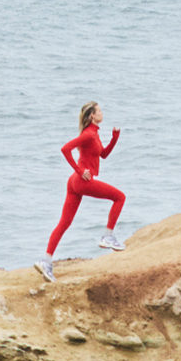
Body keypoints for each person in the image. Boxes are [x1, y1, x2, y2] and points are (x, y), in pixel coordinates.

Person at [36, 101, 126, 282]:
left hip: (74, 183)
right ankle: (108, 237)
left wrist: (114, 138)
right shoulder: (89, 134)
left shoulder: (95, 134)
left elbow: (103, 155)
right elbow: (65, 149)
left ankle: (46, 261)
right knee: (120, 197)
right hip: (82, 181)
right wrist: (80, 170)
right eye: (99, 110)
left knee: (64, 223)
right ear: (92, 115)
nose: (102, 112)